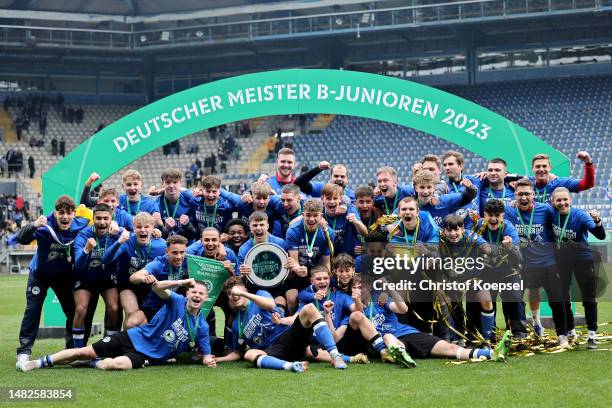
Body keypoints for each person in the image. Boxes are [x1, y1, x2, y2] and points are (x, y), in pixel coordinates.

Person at [19, 278, 216, 371]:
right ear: (188, 294)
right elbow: (156, 287)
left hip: (146, 356)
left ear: (206, 299)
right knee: (83, 351)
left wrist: (209, 360)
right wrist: (182, 281)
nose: (196, 296)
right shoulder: (177, 301)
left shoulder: (202, 327)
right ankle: (37, 363)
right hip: (134, 337)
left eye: (200, 294)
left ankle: (91, 363)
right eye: (194, 292)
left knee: (113, 365)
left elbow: (206, 354)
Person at [15, 195, 90, 368]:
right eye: (61, 213)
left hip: (62, 275)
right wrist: (33, 225)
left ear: (74, 213)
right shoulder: (44, 225)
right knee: (32, 310)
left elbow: (101, 218)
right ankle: (24, 352)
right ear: (55, 213)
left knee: (72, 310)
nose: (65, 217)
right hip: (39, 274)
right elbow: (21, 238)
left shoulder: (80, 223)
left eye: (69, 213)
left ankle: (71, 350)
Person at [216, 276, 347, 371]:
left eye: (236, 291)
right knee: (249, 354)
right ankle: (291, 366)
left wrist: (244, 294)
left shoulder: (260, 295)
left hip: (288, 335)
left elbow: (270, 304)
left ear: (244, 290)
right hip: (274, 351)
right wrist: (218, 359)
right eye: (230, 294)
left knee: (310, 309)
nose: (234, 295)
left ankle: (335, 356)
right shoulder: (236, 324)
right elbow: (237, 352)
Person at [504, 178, 568, 346]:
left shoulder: (546, 210)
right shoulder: (508, 210)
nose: (523, 198)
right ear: (515, 195)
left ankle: (562, 335)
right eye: (520, 194)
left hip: (547, 264)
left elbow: (563, 217)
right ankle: (519, 335)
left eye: (527, 194)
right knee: (515, 299)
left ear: (533, 195)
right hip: (521, 266)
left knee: (557, 301)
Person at [550, 187, 606, 349]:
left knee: (589, 298)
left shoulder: (580, 215)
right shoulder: (551, 213)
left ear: (571, 200)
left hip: (583, 260)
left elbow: (600, 235)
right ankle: (570, 331)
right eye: (558, 200)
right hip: (562, 261)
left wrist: (597, 221)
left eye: (565, 199)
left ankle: (592, 335)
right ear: (553, 202)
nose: (562, 203)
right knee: (563, 299)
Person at [101, 212, 167, 329]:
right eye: (138, 227)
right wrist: (119, 242)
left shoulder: (161, 245)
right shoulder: (127, 241)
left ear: (152, 227)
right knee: (132, 314)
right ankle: (126, 344)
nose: (142, 230)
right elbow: (105, 259)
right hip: (128, 285)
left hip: (150, 287)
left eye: (146, 227)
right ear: (133, 227)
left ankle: (140, 343)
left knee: (148, 319)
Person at [73, 204, 125, 346]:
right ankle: (78, 349)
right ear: (93, 218)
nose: (102, 222)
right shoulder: (84, 235)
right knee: (80, 308)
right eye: (98, 218)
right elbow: (78, 265)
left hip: (107, 278)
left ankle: (109, 345)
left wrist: (156, 231)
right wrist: (86, 250)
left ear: (111, 218)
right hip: (86, 278)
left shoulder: (117, 234)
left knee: (114, 307)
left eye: (106, 218)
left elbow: (134, 234)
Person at [474, 199, 526, 338]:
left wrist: (511, 248)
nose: (493, 219)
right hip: (485, 272)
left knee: (515, 298)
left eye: (497, 215)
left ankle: (519, 334)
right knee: (484, 300)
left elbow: (519, 258)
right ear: (484, 215)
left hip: (508, 272)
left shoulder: (509, 229)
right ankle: (488, 335)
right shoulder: (477, 227)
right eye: (490, 215)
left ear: (503, 215)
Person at [285, 198, 334, 313]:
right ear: (303, 215)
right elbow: (294, 260)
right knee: (292, 299)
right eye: (308, 215)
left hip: (316, 273)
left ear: (321, 216)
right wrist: (298, 269)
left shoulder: (328, 233)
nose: (311, 219)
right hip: (297, 271)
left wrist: (327, 281)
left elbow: (326, 262)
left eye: (315, 215)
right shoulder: (293, 231)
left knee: (323, 297)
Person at [129, 235, 191, 322]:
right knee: (132, 323)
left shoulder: (189, 262)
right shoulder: (159, 264)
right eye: (174, 253)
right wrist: (145, 278)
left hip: (176, 307)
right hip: (155, 308)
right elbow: (133, 277)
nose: (179, 257)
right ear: (167, 251)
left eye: (182, 252)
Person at [320, 183, 367, 257]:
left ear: (340, 199)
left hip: (348, 258)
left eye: (335, 198)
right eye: (328, 198)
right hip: (328, 257)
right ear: (322, 198)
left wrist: (356, 221)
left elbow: (365, 233)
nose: (332, 202)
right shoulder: (319, 213)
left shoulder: (349, 209)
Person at [153, 168, 197, 241]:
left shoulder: (190, 200)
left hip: (187, 246)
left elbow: (195, 234)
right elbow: (156, 237)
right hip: (166, 246)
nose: (171, 185)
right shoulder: (156, 204)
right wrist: (165, 228)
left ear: (180, 183)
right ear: (162, 183)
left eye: (175, 182)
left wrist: (187, 225)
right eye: (168, 182)